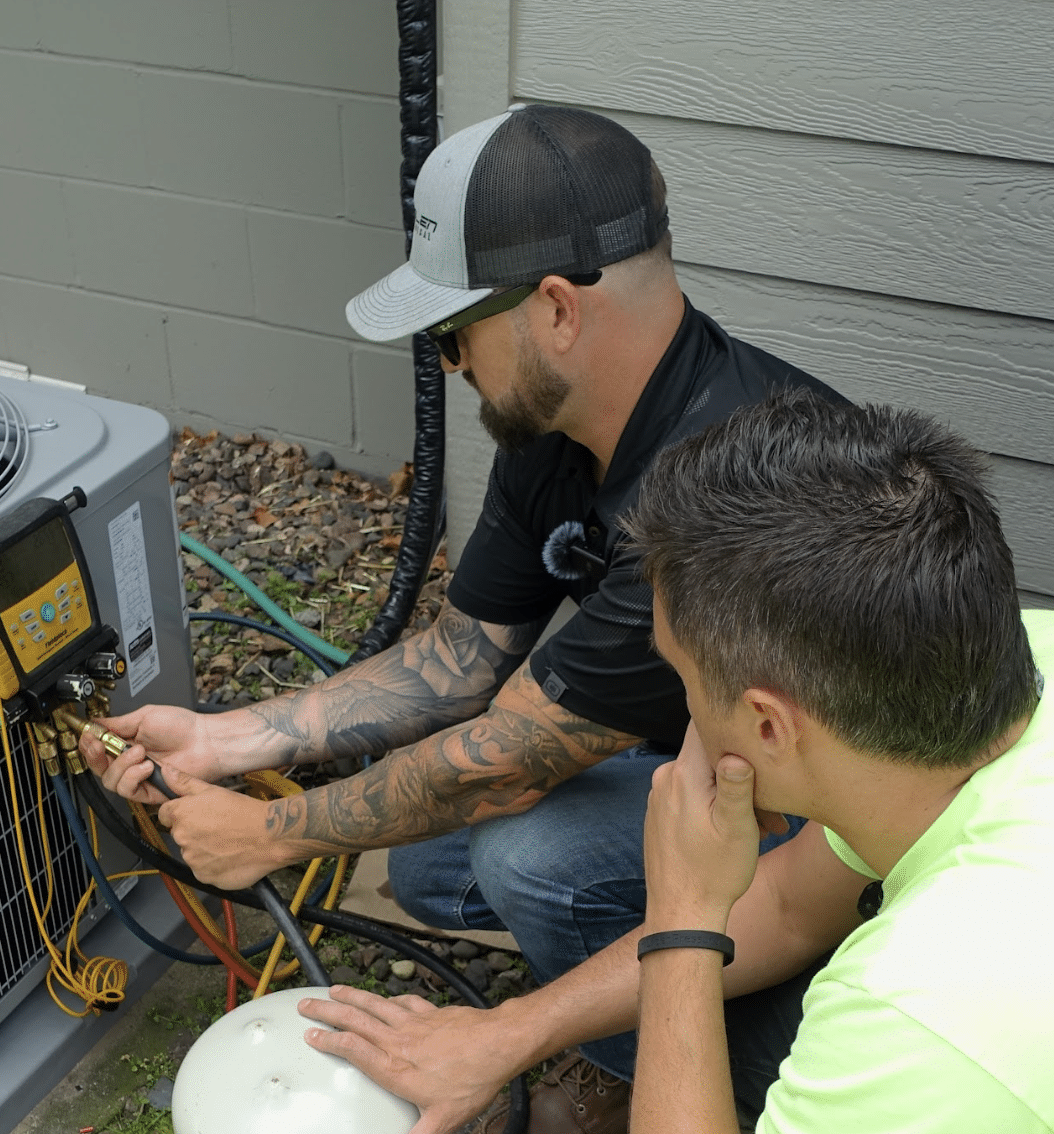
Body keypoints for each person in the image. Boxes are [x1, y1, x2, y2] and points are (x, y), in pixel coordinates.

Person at [80, 105, 840, 1129]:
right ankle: (641, 971)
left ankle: (676, 1065)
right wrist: (224, 739)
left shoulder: (721, 498)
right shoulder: (567, 423)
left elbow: (509, 753)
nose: (449, 363)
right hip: (703, 766)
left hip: (834, 854)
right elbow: (456, 658)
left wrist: (271, 831)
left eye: (452, 333)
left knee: (524, 857)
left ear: (557, 311)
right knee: (434, 862)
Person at [301, 394, 1053, 1134]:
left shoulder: (923, 1012)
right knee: (461, 861)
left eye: (681, 676)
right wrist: (509, 1032)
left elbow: (909, 1006)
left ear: (768, 723)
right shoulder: (1006, 658)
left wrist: (685, 916)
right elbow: (794, 903)